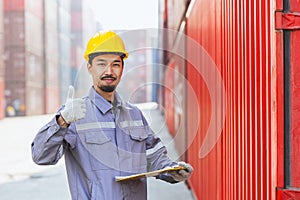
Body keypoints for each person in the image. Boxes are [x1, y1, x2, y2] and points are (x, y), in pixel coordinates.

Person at [31, 30, 193, 200]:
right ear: (90, 68)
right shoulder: (73, 115)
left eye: (115, 64)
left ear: (122, 69)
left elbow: (154, 156)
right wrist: (62, 121)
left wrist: (173, 171)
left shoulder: (135, 115)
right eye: (101, 64)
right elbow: (40, 156)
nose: (109, 71)